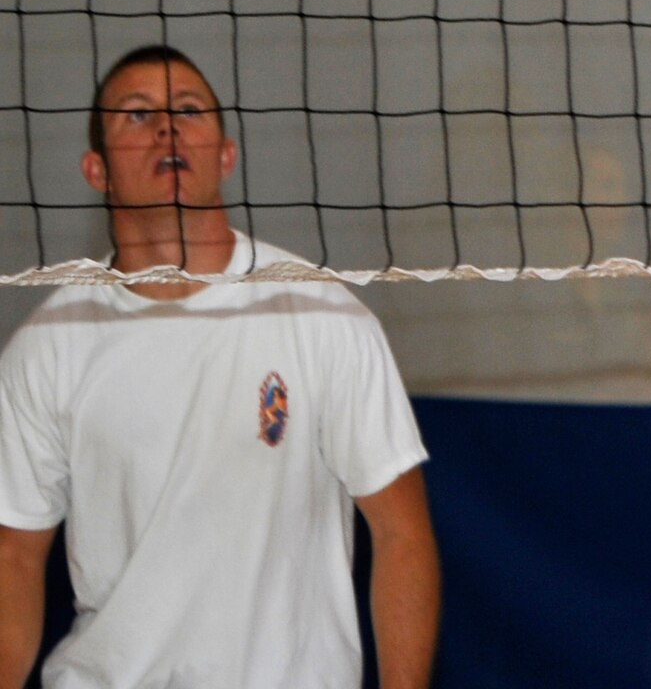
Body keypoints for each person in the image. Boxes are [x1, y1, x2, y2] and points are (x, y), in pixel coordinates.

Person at [0, 43, 440, 689]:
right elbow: (13, 558)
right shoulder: (49, 346)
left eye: (187, 111)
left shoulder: (322, 315)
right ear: (97, 170)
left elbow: (402, 536)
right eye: (136, 115)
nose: (167, 128)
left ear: (225, 155)